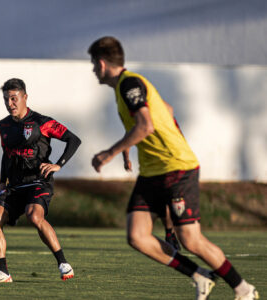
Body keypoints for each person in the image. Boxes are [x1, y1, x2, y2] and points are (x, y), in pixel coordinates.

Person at [87, 36, 258, 300]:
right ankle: (199, 274)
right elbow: (165, 109)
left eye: (92, 64)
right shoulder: (126, 87)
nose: (92, 70)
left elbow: (146, 125)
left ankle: (243, 289)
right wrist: (129, 148)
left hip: (176, 168)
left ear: (101, 63)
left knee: (191, 240)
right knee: (137, 236)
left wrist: (112, 152)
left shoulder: (129, 83)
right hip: (152, 172)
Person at [0, 78, 81, 283]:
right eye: (6, 99)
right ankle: (3, 273)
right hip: (14, 185)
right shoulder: (3, 125)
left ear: (25, 97)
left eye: (13, 98)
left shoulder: (42, 122)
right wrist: (2, 182)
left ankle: (63, 263)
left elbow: (74, 139)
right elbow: (6, 154)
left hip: (38, 181)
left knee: (34, 216)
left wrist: (59, 164)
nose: (10, 103)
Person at [123, 149, 181, 250]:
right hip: (147, 173)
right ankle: (169, 234)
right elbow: (127, 141)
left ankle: (169, 234)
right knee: (159, 204)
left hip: (167, 168)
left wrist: (111, 153)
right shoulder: (137, 133)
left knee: (189, 239)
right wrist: (126, 159)